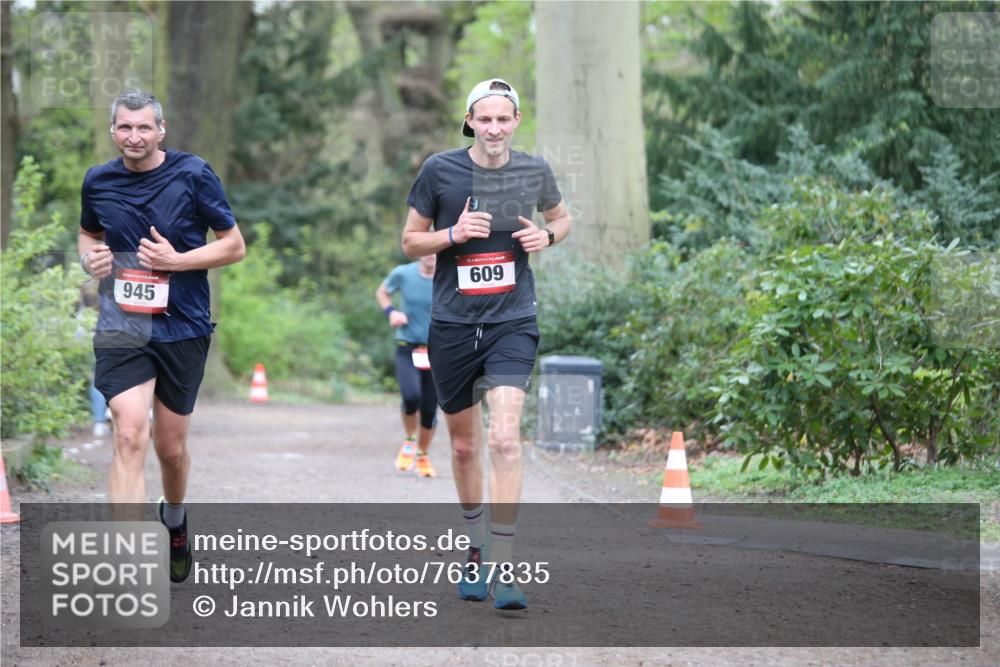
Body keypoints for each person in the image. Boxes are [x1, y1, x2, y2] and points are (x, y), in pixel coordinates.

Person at [401, 78, 572, 610]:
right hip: (452, 324)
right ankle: (474, 549)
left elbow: (561, 218)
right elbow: (410, 241)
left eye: (504, 119)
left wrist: (546, 237)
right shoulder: (440, 170)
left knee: (503, 439)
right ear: (470, 121)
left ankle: (505, 562)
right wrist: (452, 235)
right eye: (485, 119)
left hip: (512, 321)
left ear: (516, 121)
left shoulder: (534, 170)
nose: (495, 128)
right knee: (464, 446)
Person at [78, 89, 245, 583]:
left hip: (183, 325)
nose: (134, 136)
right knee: (130, 432)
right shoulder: (98, 180)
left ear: (161, 130)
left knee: (170, 449)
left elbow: (234, 247)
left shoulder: (193, 174)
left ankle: (174, 517)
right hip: (122, 322)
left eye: (144, 127)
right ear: (113, 132)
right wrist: (91, 259)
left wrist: (179, 261)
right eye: (125, 128)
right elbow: (89, 235)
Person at [375, 254, 438, 477]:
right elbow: (382, 292)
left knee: (430, 409)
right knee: (411, 397)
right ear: (420, 252)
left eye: (435, 250)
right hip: (408, 346)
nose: (431, 255)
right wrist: (391, 312)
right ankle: (410, 440)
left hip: (437, 351)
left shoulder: (447, 274)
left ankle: (422, 454)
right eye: (427, 249)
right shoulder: (403, 273)